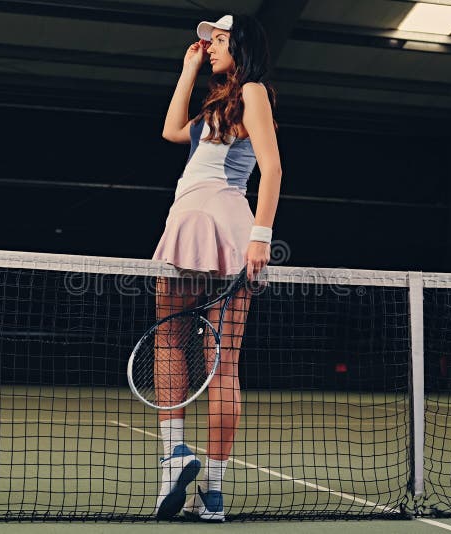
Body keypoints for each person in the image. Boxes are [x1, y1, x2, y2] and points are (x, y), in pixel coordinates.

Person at [150, 13, 282, 522]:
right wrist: (187, 70)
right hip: (207, 218)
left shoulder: (253, 91)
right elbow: (170, 131)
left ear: (243, 46)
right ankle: (211, 489)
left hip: (211, 215)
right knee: (222, 361)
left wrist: (261, 236)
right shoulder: (217, 105)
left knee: (169, 338)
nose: (210, 47)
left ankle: (173, 457)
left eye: (220, 40)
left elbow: (271, 168)